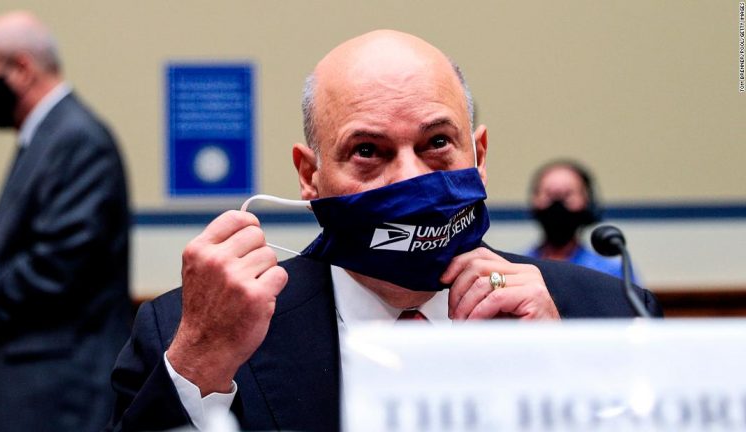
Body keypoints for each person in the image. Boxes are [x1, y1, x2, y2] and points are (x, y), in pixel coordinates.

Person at [108, 30, 661, 432]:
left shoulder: (609, 316)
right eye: (368, 151)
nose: (410, 178)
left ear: (479, 154)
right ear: (309, 175)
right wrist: (202, 362)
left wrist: (567, 378)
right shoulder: (193, 333)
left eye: (437, 143)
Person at [0, 11, 132, 432]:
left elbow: (55, 270)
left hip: (61, 392)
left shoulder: (78, 140)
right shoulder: (47, 137)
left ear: (22, 69)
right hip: (37, 386)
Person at [526, 160, 635, 281]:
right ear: (534, 201)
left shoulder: (613, 270)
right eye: (548, 194)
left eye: (567, 194)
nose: (557, 204)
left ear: (587, 202)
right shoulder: (517, 265)